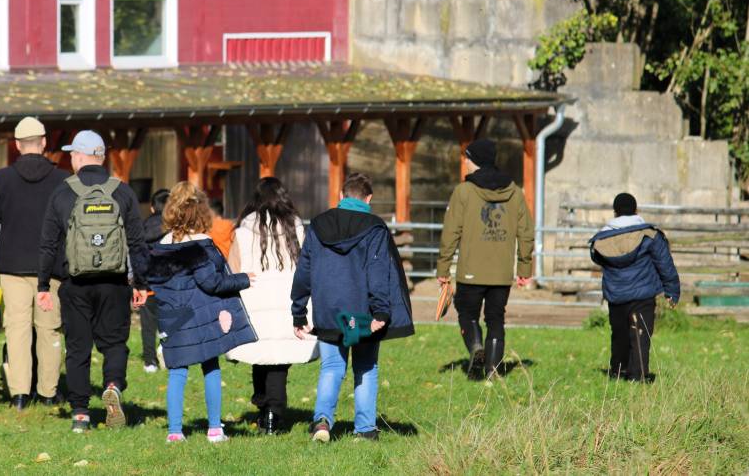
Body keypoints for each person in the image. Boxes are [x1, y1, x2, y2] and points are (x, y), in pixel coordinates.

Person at [37, 130, 150, 433]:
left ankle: (80, 414)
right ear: (102, 157)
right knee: (114, 343)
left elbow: (48, 244)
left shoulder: (63, 193)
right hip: (114, 282)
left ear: (79, 156)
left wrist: (44, 286)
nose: (70, 158)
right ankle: (112, 384)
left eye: (72, 154)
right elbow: (138, 243)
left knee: (78, 348)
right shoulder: (122, 192)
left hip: (75, 284)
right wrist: (140, 283)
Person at [291, 172, 414, 442]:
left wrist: (298, 311)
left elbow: (304, 270)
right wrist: (381, 311)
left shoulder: (319, 224)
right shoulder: (375, 228)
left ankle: (322, 422)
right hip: (362, 313)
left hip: (327, 311)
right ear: (368, 199)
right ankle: (365, 429)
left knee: (332, 367)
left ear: (341, 196)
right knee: (366, 367)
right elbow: (379, 271)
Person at [147, 181, 256, 443]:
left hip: (174, 319)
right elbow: (211, 282)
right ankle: (215, 429)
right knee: (211, 366)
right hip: (203, 317)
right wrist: (244, 279)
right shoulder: (201, 245)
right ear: (201, 211)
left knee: (177, 371)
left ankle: (174, 431)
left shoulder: (161, 245)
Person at [0, 117, 70, 410]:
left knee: (17, 329)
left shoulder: (2, 179)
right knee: (49, 329)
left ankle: (19, 394)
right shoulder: (62, 179)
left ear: (16, 145)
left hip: (11, 267)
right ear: (44, 143)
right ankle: (48, 391)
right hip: (51, 269)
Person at [436, 139, 534, 381]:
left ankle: (476, 347)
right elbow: (526, 232)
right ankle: (492, 369)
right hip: (501, 272)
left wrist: (443, 268)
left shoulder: (464, 192)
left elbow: (451, 233)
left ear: (475, 161)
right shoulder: (515, 192)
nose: (465, 163)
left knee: (467, 314)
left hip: (471, 270)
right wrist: (524, 268)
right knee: (496, 318)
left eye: (467, 158)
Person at [227, 177, 317, 434]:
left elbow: (233, 269)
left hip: (254, 299)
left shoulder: (244, 231)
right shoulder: (296, 228)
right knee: (278, 359)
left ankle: (266, 406)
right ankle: (272, 413)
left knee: (261, 353)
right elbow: (306, 265)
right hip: (287, 299)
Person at [589, 193, 680, 382]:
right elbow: (665, 264)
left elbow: (596, 258)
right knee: (640, 335)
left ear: (615, 212)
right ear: (636, 209)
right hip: (643, 294)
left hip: (616, 294)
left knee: (619, 333)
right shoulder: (649, 235)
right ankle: (638, 375)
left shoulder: (601, 239)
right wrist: (672, 291)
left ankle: (618, 370)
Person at [139, 188, 170, 373]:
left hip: (147, 283)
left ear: (152, 208)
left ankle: (149, 361)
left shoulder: (143, 227)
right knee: (170, 319)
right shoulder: (174, 227)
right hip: (168, 283)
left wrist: (137, 282)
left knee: (147, 324)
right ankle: (166, 349)